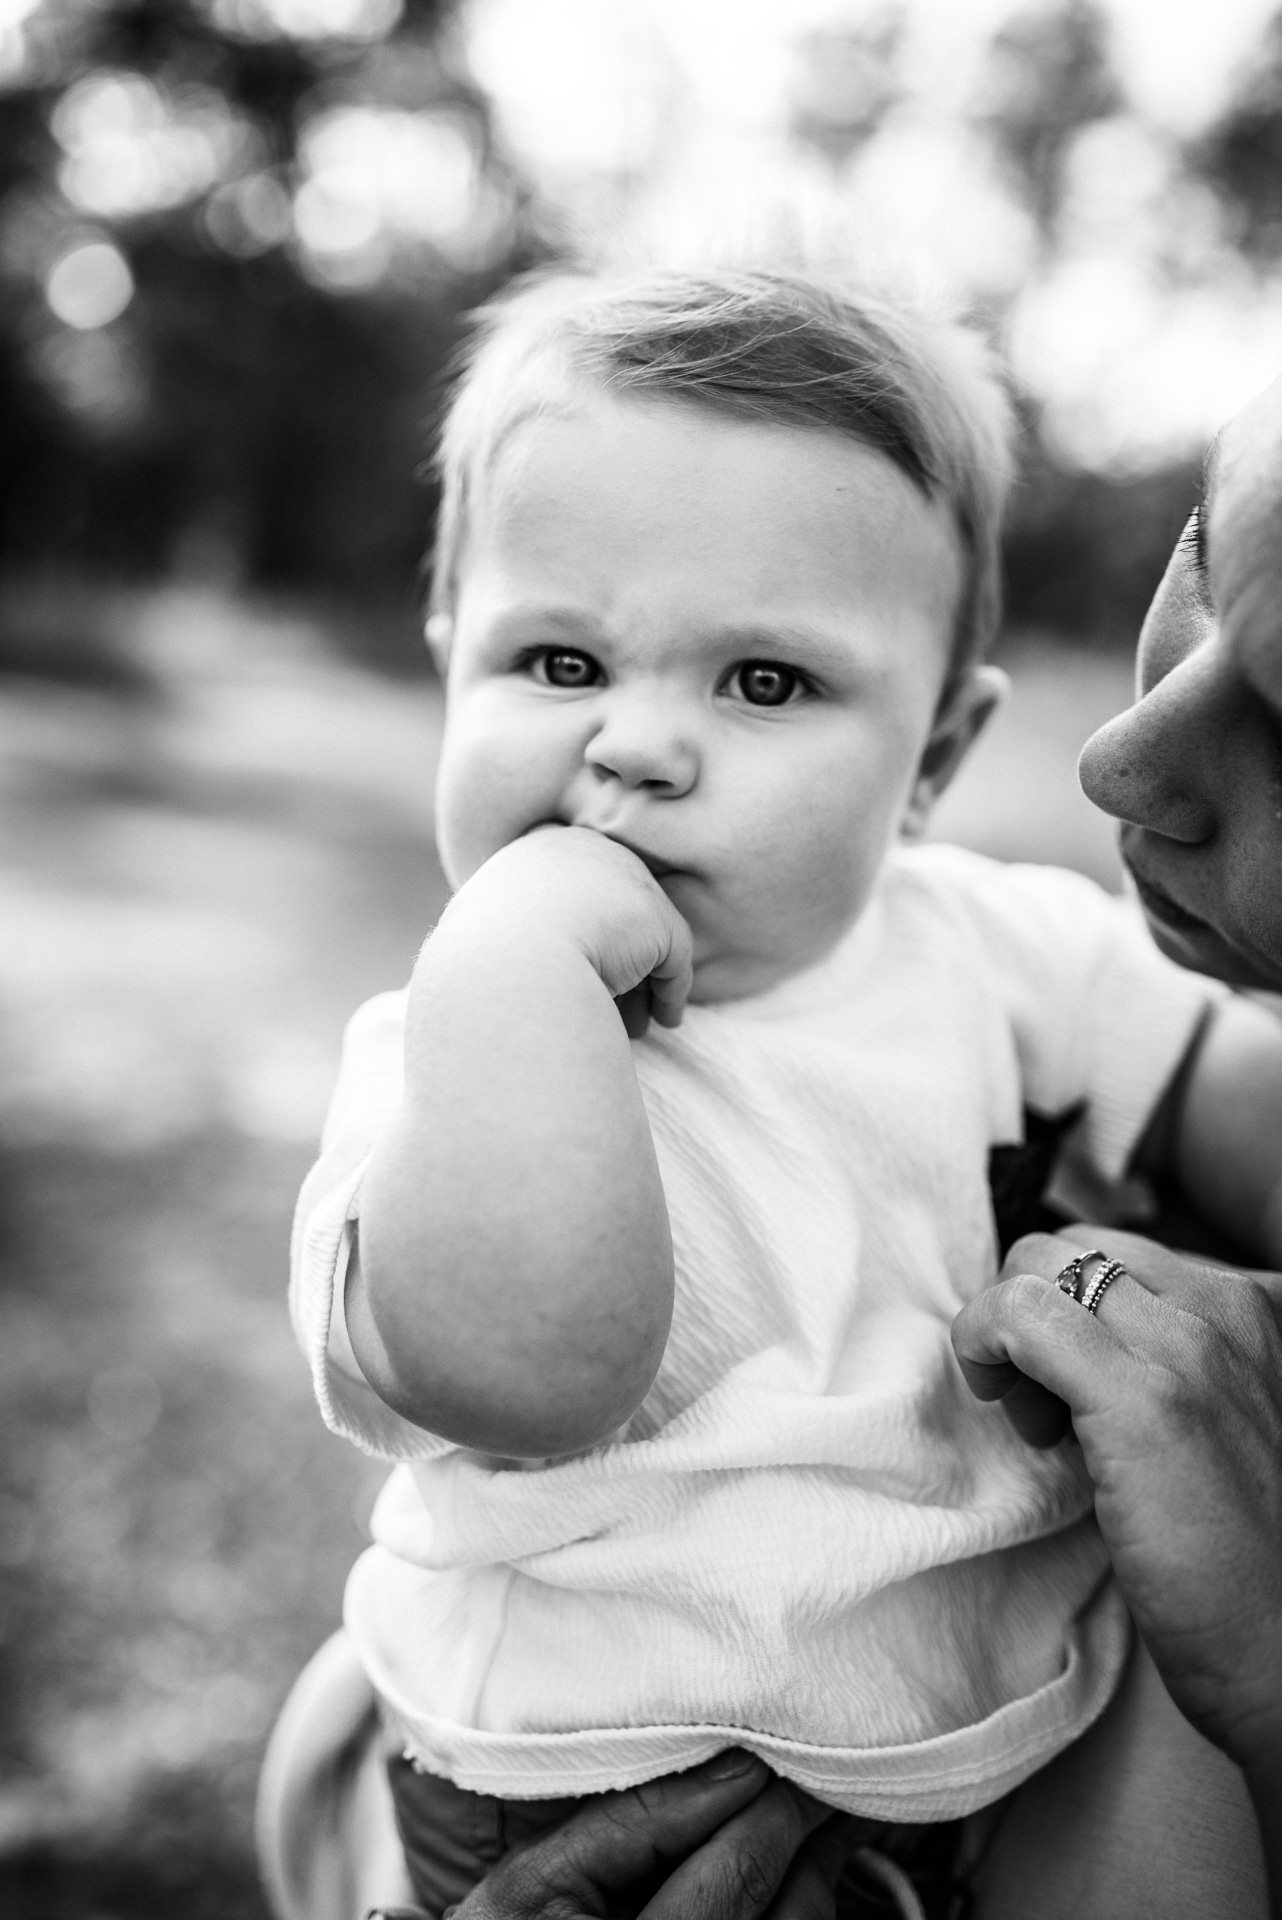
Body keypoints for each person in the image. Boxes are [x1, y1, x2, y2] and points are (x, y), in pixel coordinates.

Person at [280, 273, 1282, 1918]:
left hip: (993, 1726)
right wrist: (522, 968)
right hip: (588, 1790)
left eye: (763, 684)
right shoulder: (450, 1046)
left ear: (933, 763)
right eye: (555, 657)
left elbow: (1237, 1102)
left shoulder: (994, 947)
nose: (637, 746)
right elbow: (527, 1373)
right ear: (448, 663)